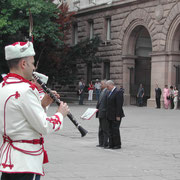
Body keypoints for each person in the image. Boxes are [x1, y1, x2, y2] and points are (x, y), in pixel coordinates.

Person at [0, 41, 69, 180]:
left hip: (8, 161)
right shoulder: (25, 90)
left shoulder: (3, 86)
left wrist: (42, 105)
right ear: (23, 64)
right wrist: (60, 114)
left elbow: (22, 118)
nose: (34, 68)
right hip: (25, 161)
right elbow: (43, 126)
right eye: (32, 64)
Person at [106, 80, 125, 149]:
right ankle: (111, 144)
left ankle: (117, 144)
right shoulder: (109, 92)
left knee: (115, 130)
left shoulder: (118, 92)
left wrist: (118, 115)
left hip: (116, 115)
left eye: (107, 86)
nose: (107, 88)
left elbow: (119, 105)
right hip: (110, 115)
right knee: (110, 130)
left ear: (111, 85)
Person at [96, 80, 109, 148]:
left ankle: (105, 143)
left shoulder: (107, 92)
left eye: (101, 84)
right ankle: (101, 143)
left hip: (104, 114)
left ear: (105, 84)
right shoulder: (101, 92)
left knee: (105, 129)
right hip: (100, 113)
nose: (100, 85)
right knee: (100, 129)